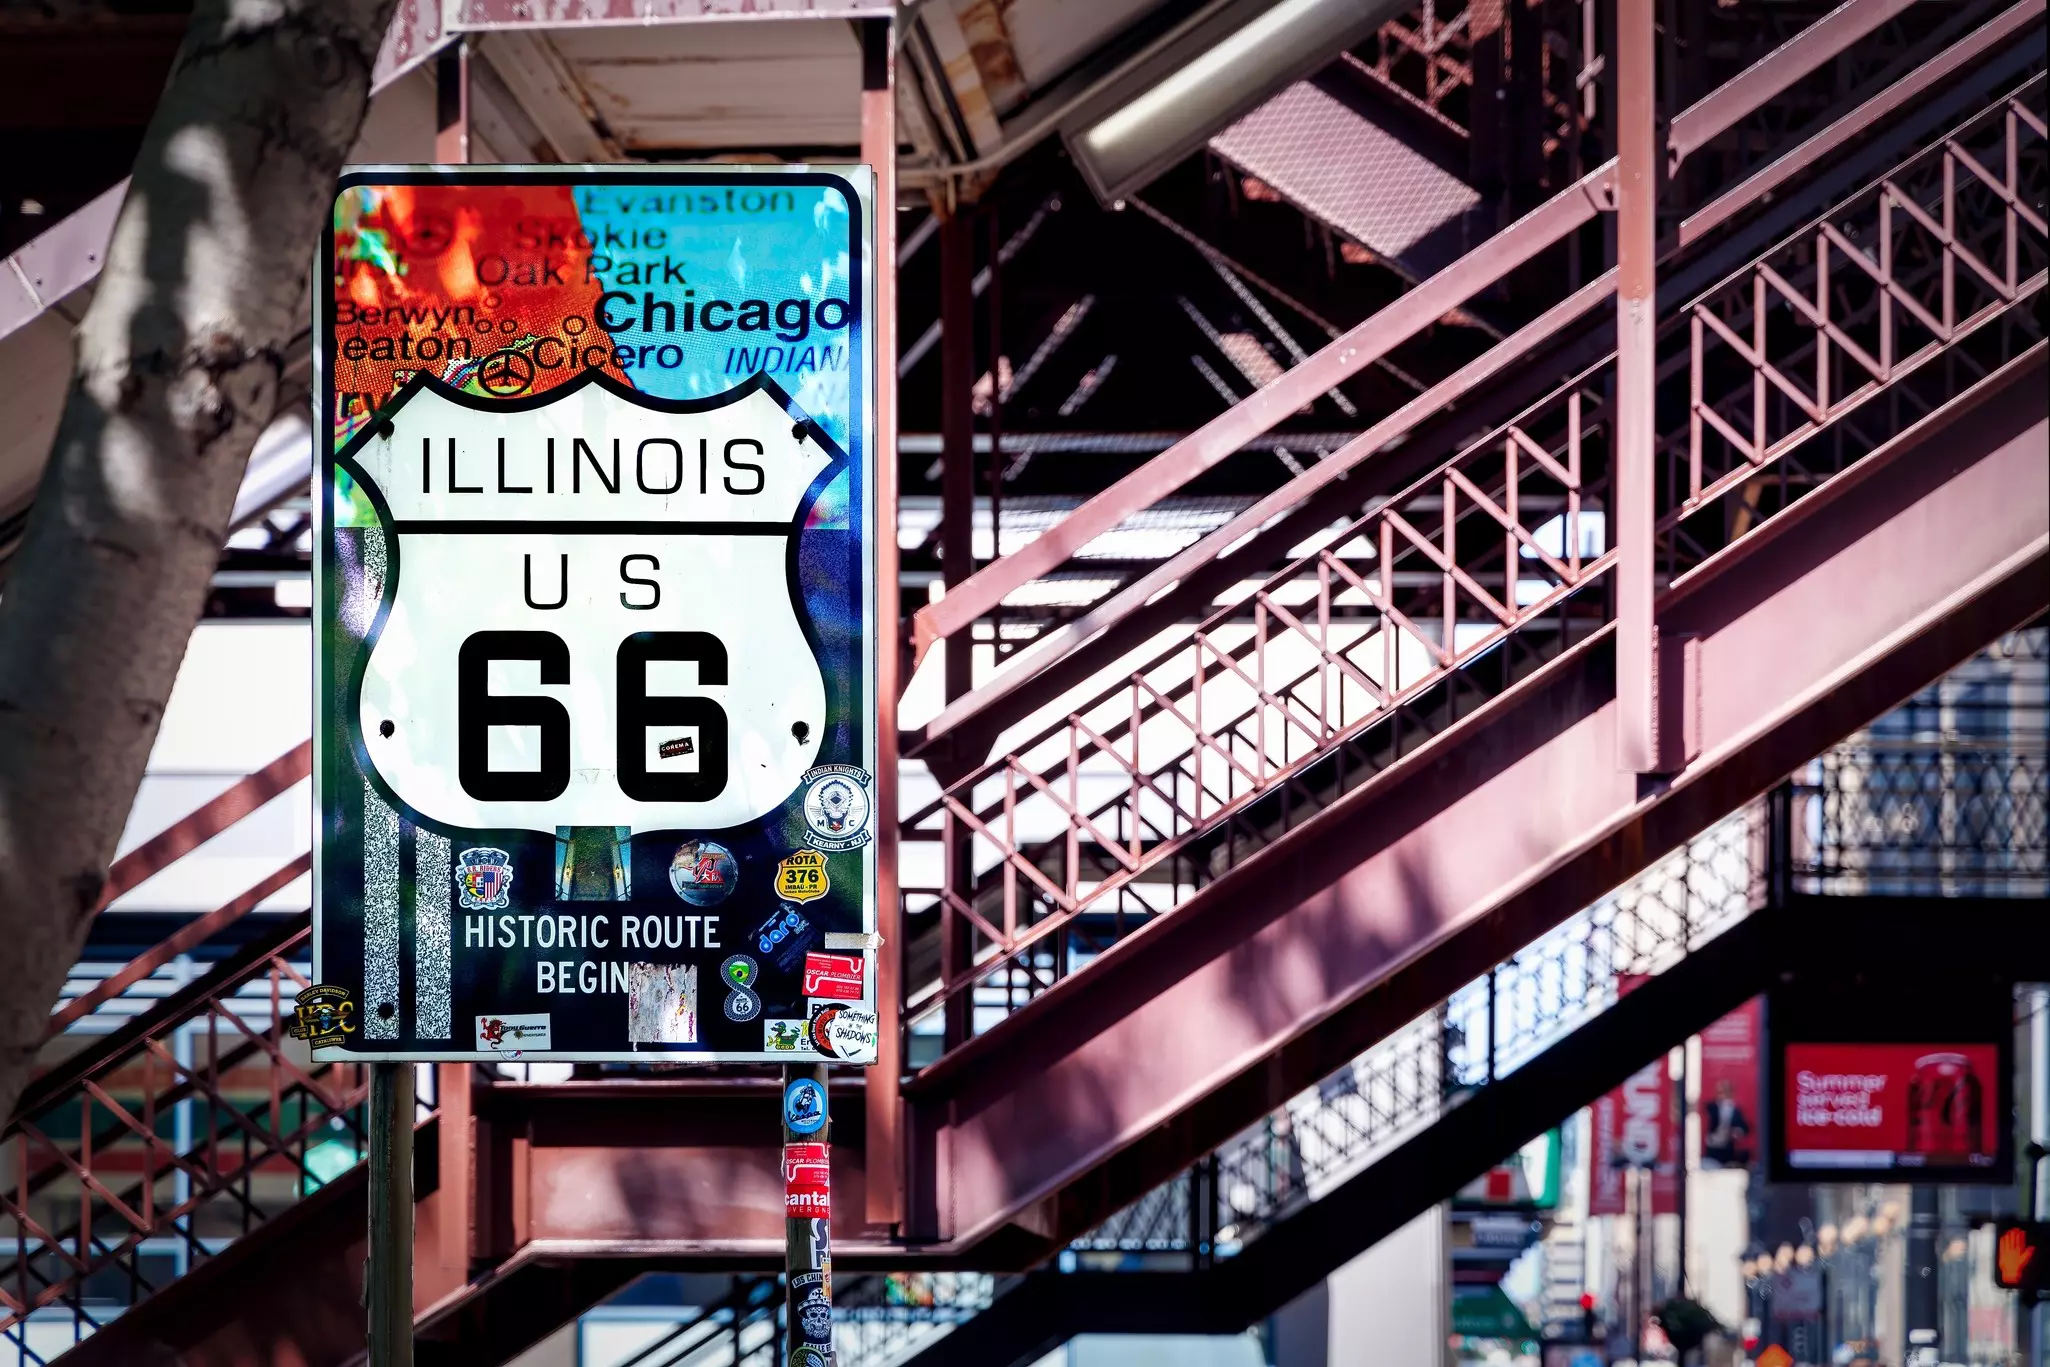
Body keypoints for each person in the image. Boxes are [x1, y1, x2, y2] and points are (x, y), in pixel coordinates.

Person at [1702, 1080, 1752, 1168]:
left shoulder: (1736, 1110)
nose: (1722, 1096)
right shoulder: (1710, 1107)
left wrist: (1737, 1132)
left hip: (1728, 1148)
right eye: (1720, 1092)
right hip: (1712, 1146)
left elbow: (1745, 1128)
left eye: (1725, 1092)